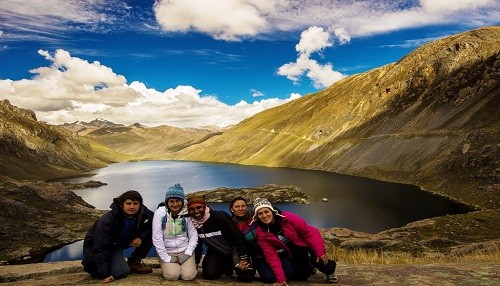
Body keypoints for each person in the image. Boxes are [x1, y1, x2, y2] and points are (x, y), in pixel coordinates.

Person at [252, 197, 338, 286]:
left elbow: (309, 232)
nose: (264, 216)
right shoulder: (261, 232)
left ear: (272, 211)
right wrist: (281, 279)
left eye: (266, 211)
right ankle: (309, 266)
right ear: (257, 216)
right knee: (300, 276)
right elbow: (271, 256)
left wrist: (320, 251)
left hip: (305, 244)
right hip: (291, 251)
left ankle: (330, 271)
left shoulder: (287, 218)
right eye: (260, 213)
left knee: (318, 259)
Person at [82, 190, 154, 284]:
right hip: (104, 247)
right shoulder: (107, 221)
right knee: (122, 272)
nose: (132, 207)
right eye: (128, 203)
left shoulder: (141, 212)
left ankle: (134, 262)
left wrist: (140, 237)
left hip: (121, 241)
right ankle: (101, 267)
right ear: (121, 204)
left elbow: (154, 220)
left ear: (140, 205)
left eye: (135, 203)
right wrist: (104, 275)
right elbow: (101, 248)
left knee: (153, 233)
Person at [187, 195, 251, 280]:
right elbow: (197, 245)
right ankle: (225, 266)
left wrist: (244, 258)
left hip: (233, 251)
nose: (196, 211)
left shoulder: (220, 217)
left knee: (246, 277)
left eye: (199, 207)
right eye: (192, 209)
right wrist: (195, 262)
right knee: (209, 274)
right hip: (216, 252)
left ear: (205, 207)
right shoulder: (193, 224)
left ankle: (230, 265)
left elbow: (238, 237)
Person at [152, 183, 198, 281]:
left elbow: (193, 235)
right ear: (167, 202)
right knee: (172, 276)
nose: (175, 204)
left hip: (184, 250)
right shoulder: (160, 213)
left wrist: (188, 252)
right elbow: (157, 238)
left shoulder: (187, 213)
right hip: (167, 252)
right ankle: (170, 266)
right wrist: (166, 258)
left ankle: (188, 265)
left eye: (178, 201)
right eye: (171, 201)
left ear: (182, 201)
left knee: (188, 276)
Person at [229, 196, 265, 282]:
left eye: (243, 206)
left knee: (269, 277)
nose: (241, 209)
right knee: (245, 277)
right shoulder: (231, 224)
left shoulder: (254, 214)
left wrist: (260, 201)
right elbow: (235, 246)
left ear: (247, 207)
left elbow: (268, 210)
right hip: (243, 252)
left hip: (260, 251)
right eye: (237, 207)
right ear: (231, 209)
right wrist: (237, 262)